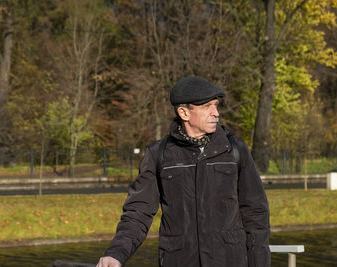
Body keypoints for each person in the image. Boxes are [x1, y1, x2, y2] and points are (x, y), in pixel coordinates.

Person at [96, 76, 271, 267]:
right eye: (207, 107)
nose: (216, 113)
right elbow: (138, 212)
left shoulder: (235, 150)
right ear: (184, 113)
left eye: (216, 105)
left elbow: (256, 215)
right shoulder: (158, 155)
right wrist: (116, 254)